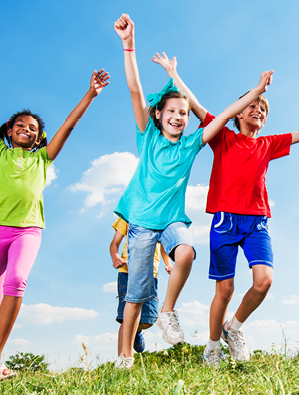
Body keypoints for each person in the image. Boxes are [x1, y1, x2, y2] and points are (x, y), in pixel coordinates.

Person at [112, 13, 273, 369]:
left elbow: (223, 115)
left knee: (186, 253)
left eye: (184, 112)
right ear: (158, 115)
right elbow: (136, 90)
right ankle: (124, 358)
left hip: (171, 220)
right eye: (171, 110)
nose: (179, 116)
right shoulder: (148, 135)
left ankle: (168, 310)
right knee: (135, 295)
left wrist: (256, 92)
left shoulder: (191, 145)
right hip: (140, 224)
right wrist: (128, 45)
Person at [0, 31, 109, 381]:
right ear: (8, 132)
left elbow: (69, 125)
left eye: (33, 128)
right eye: (20, 126)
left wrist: (90, 94)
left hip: (27, 229)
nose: (26, 130)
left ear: (38, 137)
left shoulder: (43, 159)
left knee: (17, 280)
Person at [187, 67, 299, 365]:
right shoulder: (223, 138)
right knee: (225, 288)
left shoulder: (267, 144)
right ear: (237, 114)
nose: (257, 110)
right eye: (252, 105)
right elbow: (197, 108)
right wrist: (175, 75)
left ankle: (233, 328)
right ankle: (211, 347)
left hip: (256, 221)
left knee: (264, 281)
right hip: (225, 220)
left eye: (262, 108)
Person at [109, 216, 172, 357]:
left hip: (150, 273)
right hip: (127, 271)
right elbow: (115, 243)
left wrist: (168, 264)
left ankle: (136, 331)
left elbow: (162, 246)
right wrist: (115, 257)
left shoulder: (159, 216)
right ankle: (123, 361)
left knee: (149, 320)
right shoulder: (128, 214)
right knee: (126, 319)